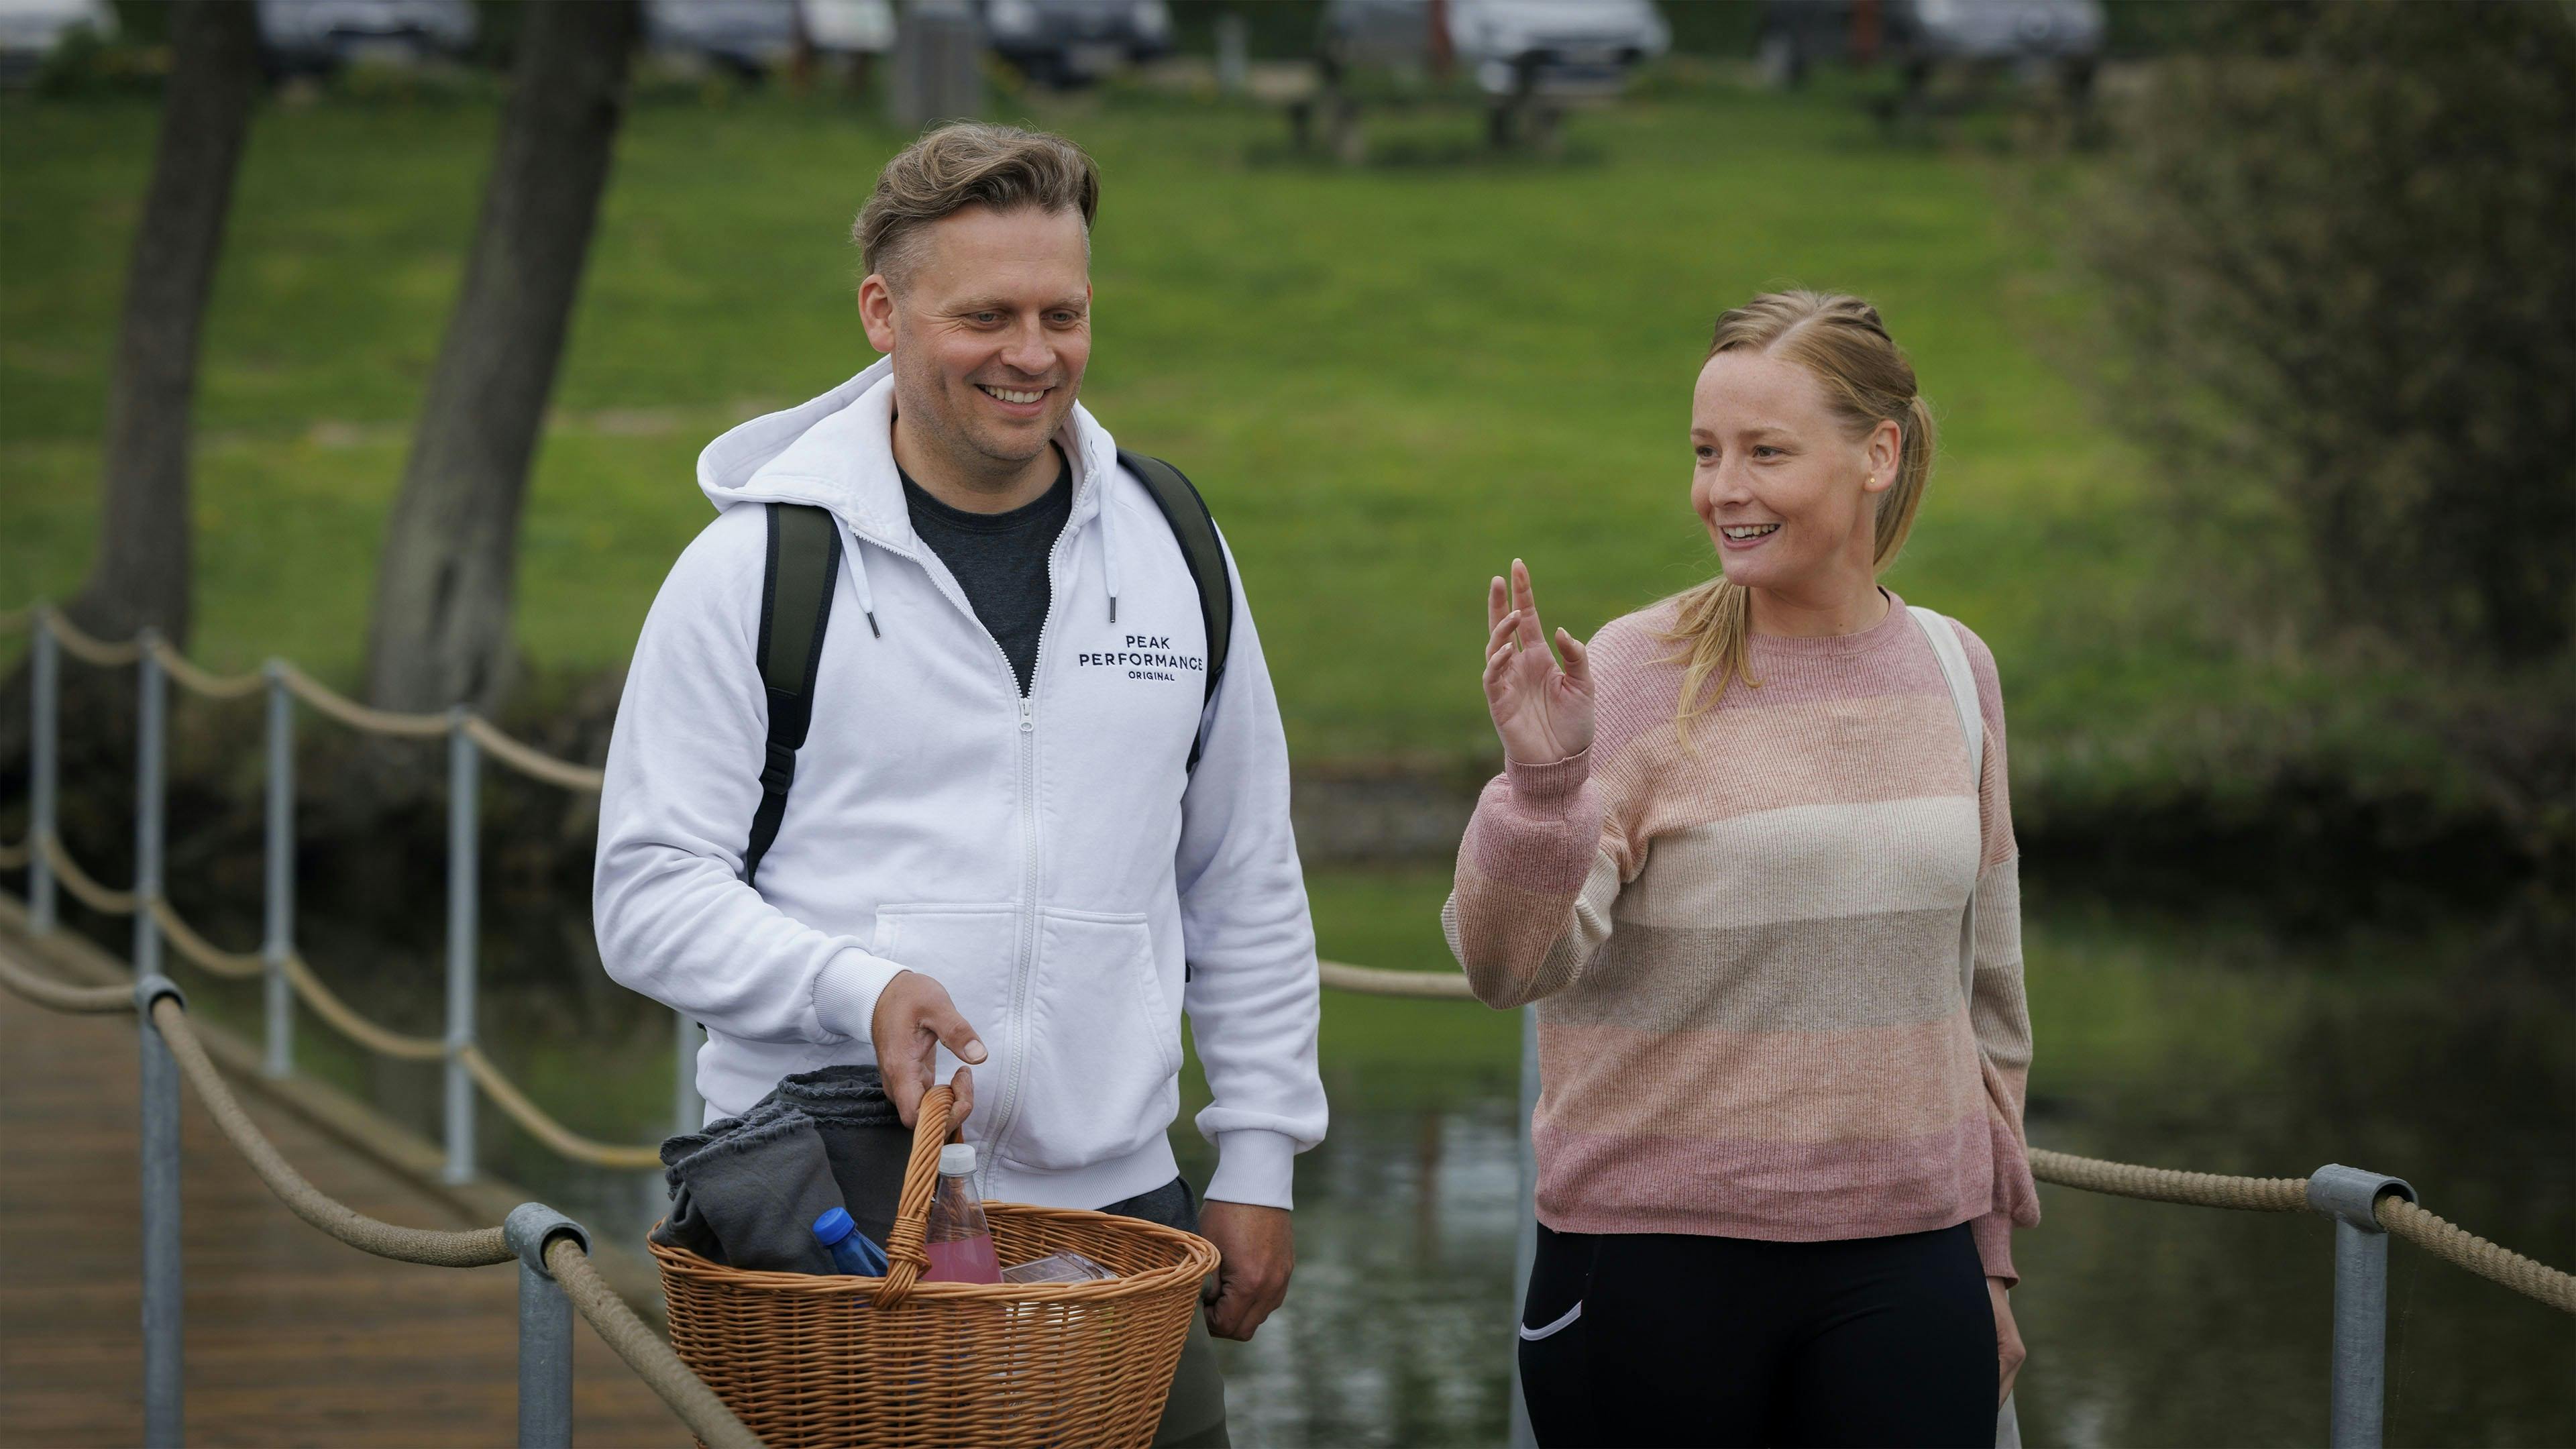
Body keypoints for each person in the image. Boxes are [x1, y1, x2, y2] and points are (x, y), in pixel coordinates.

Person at [593, 123, 1327, 1448]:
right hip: (834, 1223)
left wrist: (1261, 1156)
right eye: (985, 314)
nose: (1033, 353)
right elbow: (646, 897)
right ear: (882, 311)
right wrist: (855, 987)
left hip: (1125, 1223)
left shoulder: (1177, 548)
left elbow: (1245, 876)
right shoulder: (754, 572)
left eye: (1064, 312)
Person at [1445, 290, 2039, 1448]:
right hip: (1649, 1267)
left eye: (1767, 452)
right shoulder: (1631, 667)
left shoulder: (1955, 672)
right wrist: (1540, 790)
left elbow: (1992, 1002)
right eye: (1707, 453)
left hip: (1907, 1270)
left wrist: (1992, 1265)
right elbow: (1507, 969)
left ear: (1879, 453)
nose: (1724, 489)